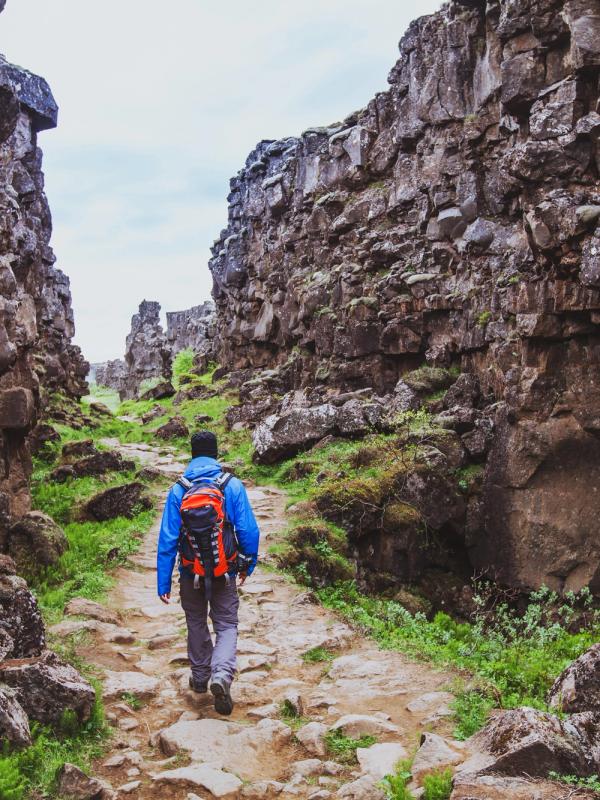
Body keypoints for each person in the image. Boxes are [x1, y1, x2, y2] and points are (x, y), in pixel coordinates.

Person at [156, 430, 260, 715]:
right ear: (216, 454)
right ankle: (221, 676)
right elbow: (248, 530)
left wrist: (163, 580)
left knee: (196, 622)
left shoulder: (179, 489)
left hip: (191, 573)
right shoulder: (231, 485)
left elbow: (167, 539)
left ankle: (200, 678)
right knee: (226, 624)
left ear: (192, 454)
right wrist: (247, 563)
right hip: (224, 571)